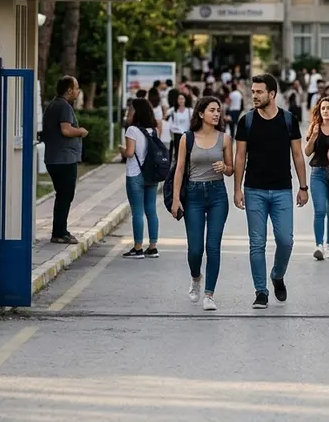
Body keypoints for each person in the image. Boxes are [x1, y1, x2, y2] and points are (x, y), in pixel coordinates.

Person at [234, 73, 309, 309]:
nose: (254, 96)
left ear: (272, 94)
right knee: (257, 243)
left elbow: (298, 154)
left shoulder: (288, 120)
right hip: (254, 189)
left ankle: (277, 275)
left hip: (282, 190)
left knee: (286, 241)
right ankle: (261, 291)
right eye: (253, 91)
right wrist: (237, 188)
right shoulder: (246, 121)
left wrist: (303, 187)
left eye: (259, 92)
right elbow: (240, 156)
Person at [169, 96, 233, 311]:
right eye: (212, 110)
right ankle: (196, 278)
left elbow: (231, 169)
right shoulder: (187, 139)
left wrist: (224, 167)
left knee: (212, 247)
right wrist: (176, 199)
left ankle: (209, 294)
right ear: (200, 113)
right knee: (195, 249)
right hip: (194, 195)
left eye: (218, 111)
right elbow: (179, 169)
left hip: (217, 195)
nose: (216, 114)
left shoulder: (224, 139)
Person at [39, 75, 87, 244]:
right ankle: (59, 232)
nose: (78, 91)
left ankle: (59, 230)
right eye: (76, 88)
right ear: (69, 90)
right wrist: (80, 131)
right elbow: (66, 130)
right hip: (64, 159)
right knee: (65, 195)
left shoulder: (53, 105)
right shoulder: (64, 106)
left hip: (53, 157)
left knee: (62, 195)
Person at [119, 98, 162, 259]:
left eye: (130, 109)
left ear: (136, 112)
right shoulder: (153, 130)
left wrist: (122, 150)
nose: (129, 112)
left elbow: (130, 153)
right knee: (151, 210)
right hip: (151, 174)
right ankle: (152, 247)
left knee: (137, 211)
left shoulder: (132, 130)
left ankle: (137, 247)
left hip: (135, 174)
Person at [306, 96, 329, 260]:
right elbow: (307, 152)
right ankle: (318, 245)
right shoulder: (315, 127)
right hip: (318, 173)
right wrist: (313, 137)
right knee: (320, 209)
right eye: (323, 108)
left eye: (328, 108)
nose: (325, 111)